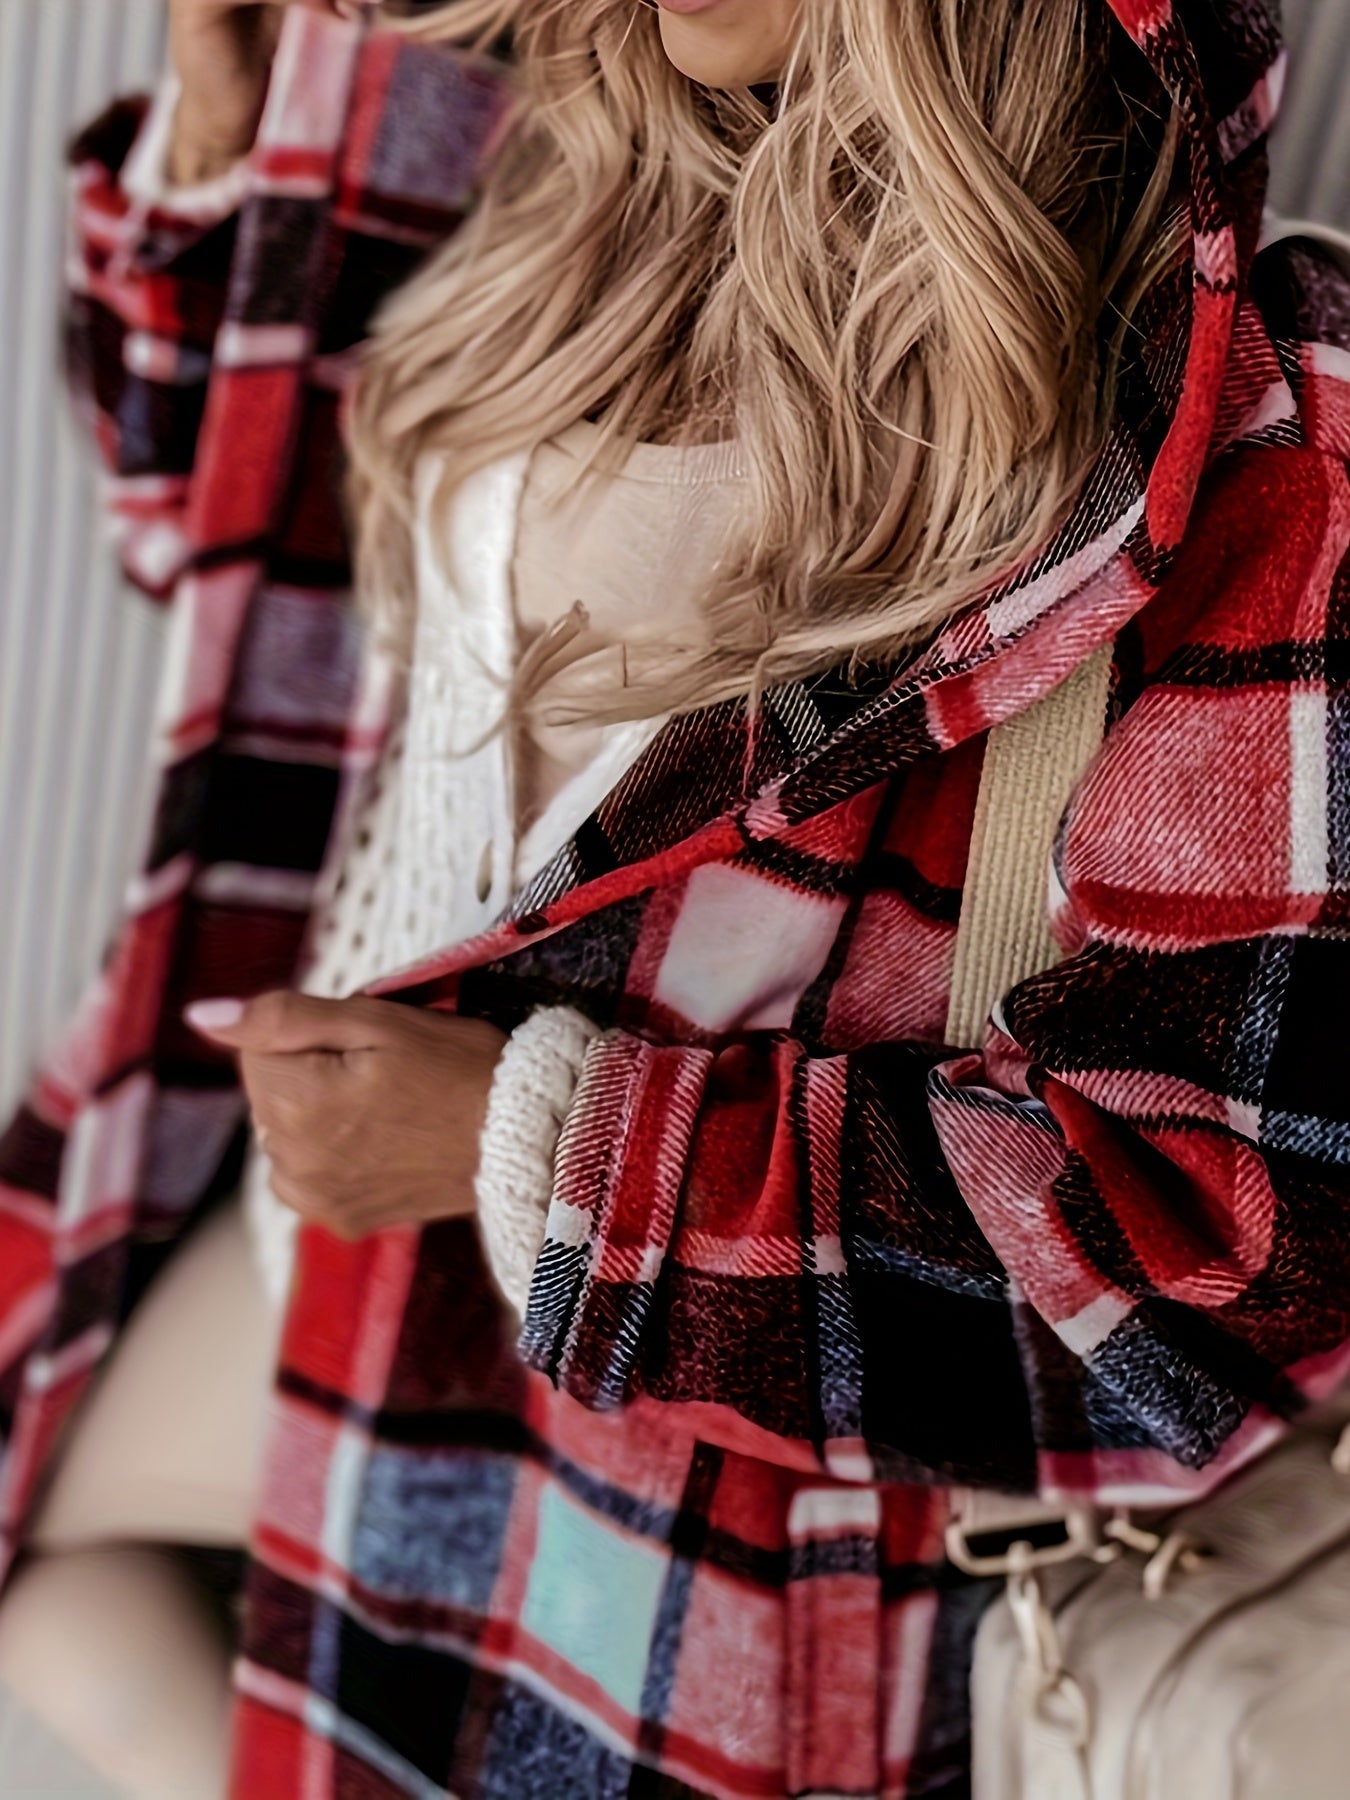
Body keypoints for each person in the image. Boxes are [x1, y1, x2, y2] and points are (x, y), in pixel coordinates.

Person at [0, 0, 1345, 1793]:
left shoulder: (1258, 423)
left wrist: (518, 1147)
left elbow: (1221, 1262)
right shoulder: (548, 143)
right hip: (322, 1244)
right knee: (60, 1602)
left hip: (672, 1449)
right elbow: (217, 539)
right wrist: (225, 117)